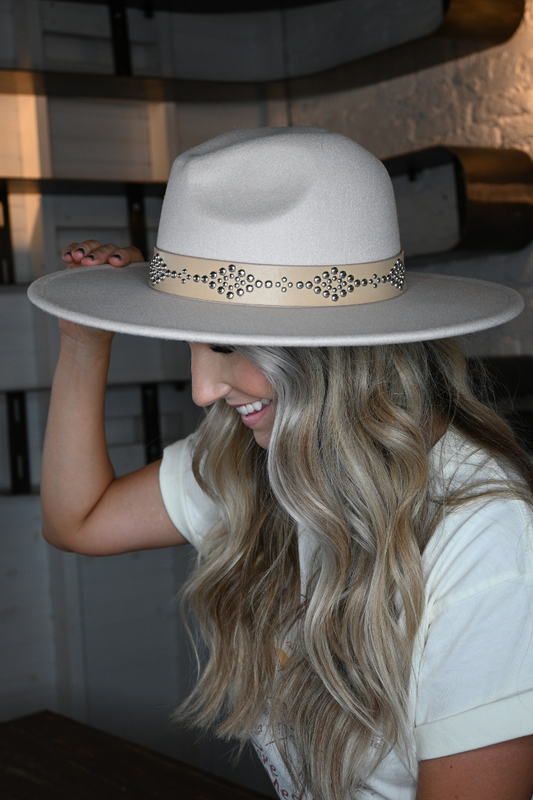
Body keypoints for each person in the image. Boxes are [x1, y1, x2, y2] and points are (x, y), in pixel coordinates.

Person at [29, 127, 533, 800]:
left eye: (229, 347)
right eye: (193, 344)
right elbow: (78, 522)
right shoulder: (262, 453)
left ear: (333, 348)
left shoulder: (482, 537)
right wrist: (84, 340)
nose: (204, 391)